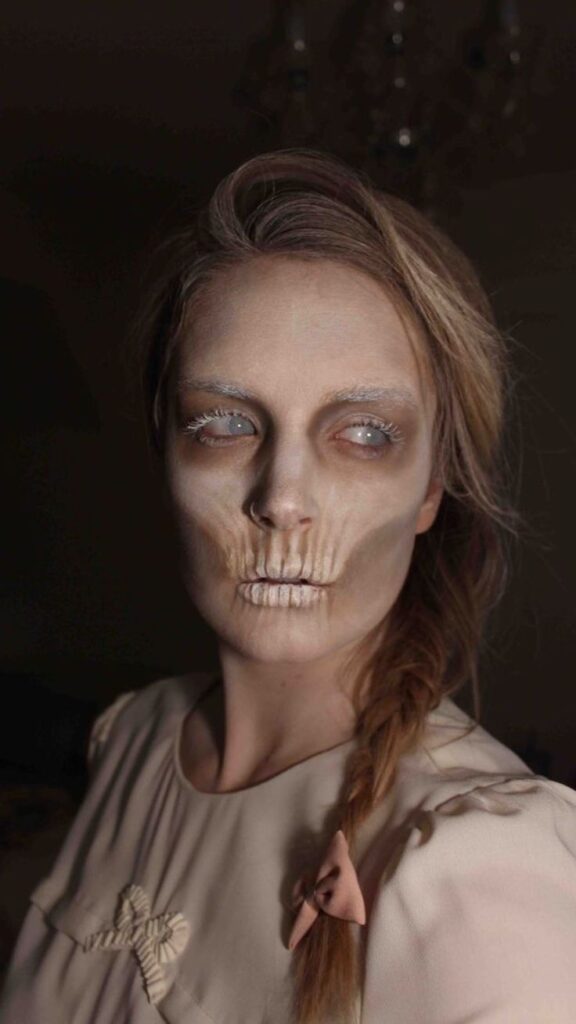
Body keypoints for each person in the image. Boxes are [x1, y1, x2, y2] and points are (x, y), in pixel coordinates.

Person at [1, 147, 576, 1024]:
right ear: (165, 451)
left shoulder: (481, 874)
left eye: (364, 434)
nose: (282, 498)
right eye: (225, 425)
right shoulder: (131, 739)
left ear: (431, 489)